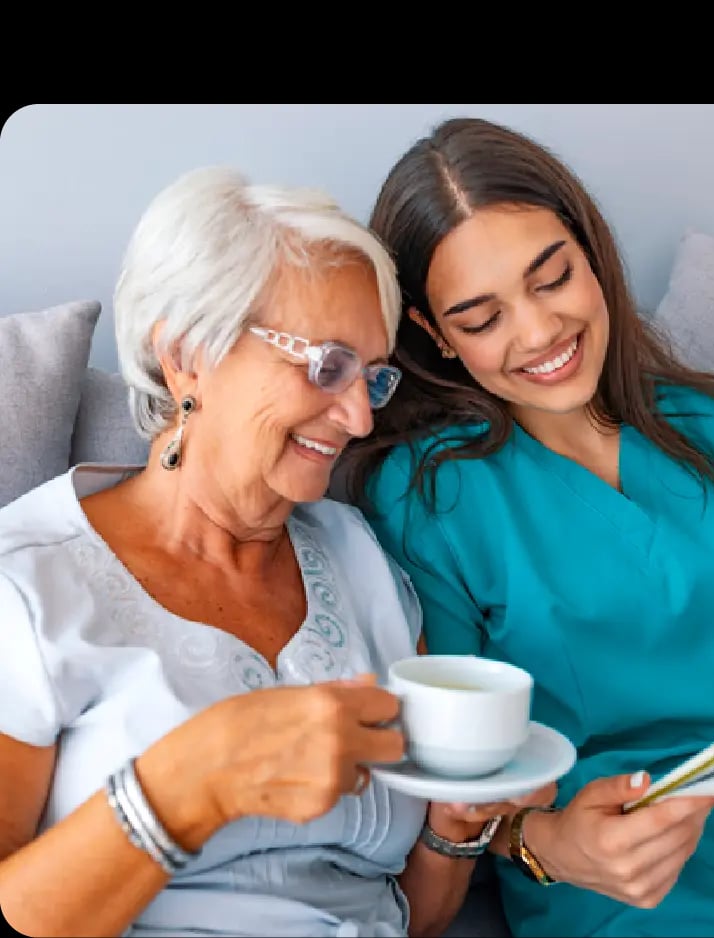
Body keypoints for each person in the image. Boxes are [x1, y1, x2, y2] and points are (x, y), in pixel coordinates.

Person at [337, 117, 714, 938]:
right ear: (434, 336)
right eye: (482, 318)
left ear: (591, 255)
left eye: (551, 278)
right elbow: (461, 783)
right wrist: (549, 845)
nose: (538, 332)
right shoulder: (427, 498)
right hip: (615, 884)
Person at [0, 166, 550, 938]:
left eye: (374, 376)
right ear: (188, 353)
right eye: (326, 366)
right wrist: (190, 786)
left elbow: (409, 918)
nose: (359, 417)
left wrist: (453, 830)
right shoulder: (26, 585)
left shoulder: (363, 562)